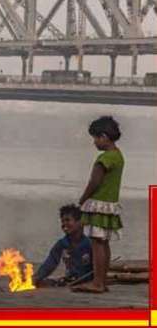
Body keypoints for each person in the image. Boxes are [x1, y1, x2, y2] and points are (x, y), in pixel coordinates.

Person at [73, 116, 124, 294]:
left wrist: (82, 200)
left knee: (97, 244)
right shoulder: (118, 156)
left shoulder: (105, 158)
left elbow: (94, 182)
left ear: (104, 136)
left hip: (99, 204)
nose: (94, 142)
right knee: (104, 243)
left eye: (95, 138)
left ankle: (97, 283)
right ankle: (102, 281)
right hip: (110, 204)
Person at [33, 204, 93, 287]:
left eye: (68, 220)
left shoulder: (90, 244)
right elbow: (50, 262)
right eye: (62, 221)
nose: (64, 224)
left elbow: (99, 266)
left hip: (87, 280)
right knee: (41, 283)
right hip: (70, 280)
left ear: (80, 222)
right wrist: (36, 277)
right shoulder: (62, 244)